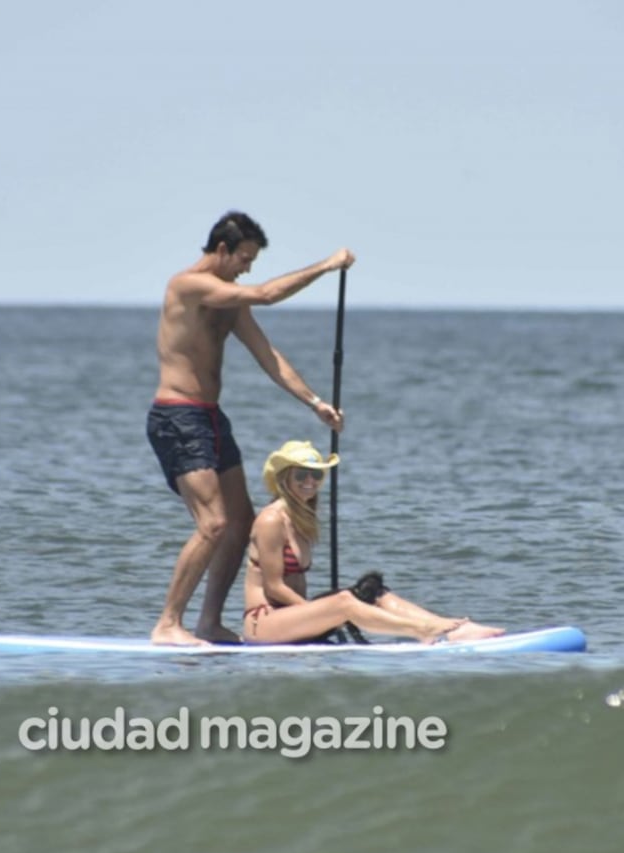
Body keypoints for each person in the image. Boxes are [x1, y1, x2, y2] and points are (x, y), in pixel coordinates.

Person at [147, 211, 355, 646]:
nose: (247, 268)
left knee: (241, 522)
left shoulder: (230, 302)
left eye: (252, 260)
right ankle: (167, 624)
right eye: (244, 258)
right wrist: (326, 265)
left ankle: (207, 623)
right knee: (214, 525)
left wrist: (315, 402)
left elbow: (268, 355)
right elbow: (264, 294)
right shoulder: (187, 286)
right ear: (221, 250)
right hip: (177, 417)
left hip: (210, 418)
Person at [243, 440, 505, 645]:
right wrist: (319, 611)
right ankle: (421, 631)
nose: (310, 482)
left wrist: (320, 613)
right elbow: (275, 586)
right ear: (284, 479)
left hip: (294, 618)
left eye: (316, 475)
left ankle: (455, 628)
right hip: (265, 624)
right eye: (301, 475)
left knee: (373, 590)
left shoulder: (301, 517)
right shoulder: (270, 520)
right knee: (344, 601)